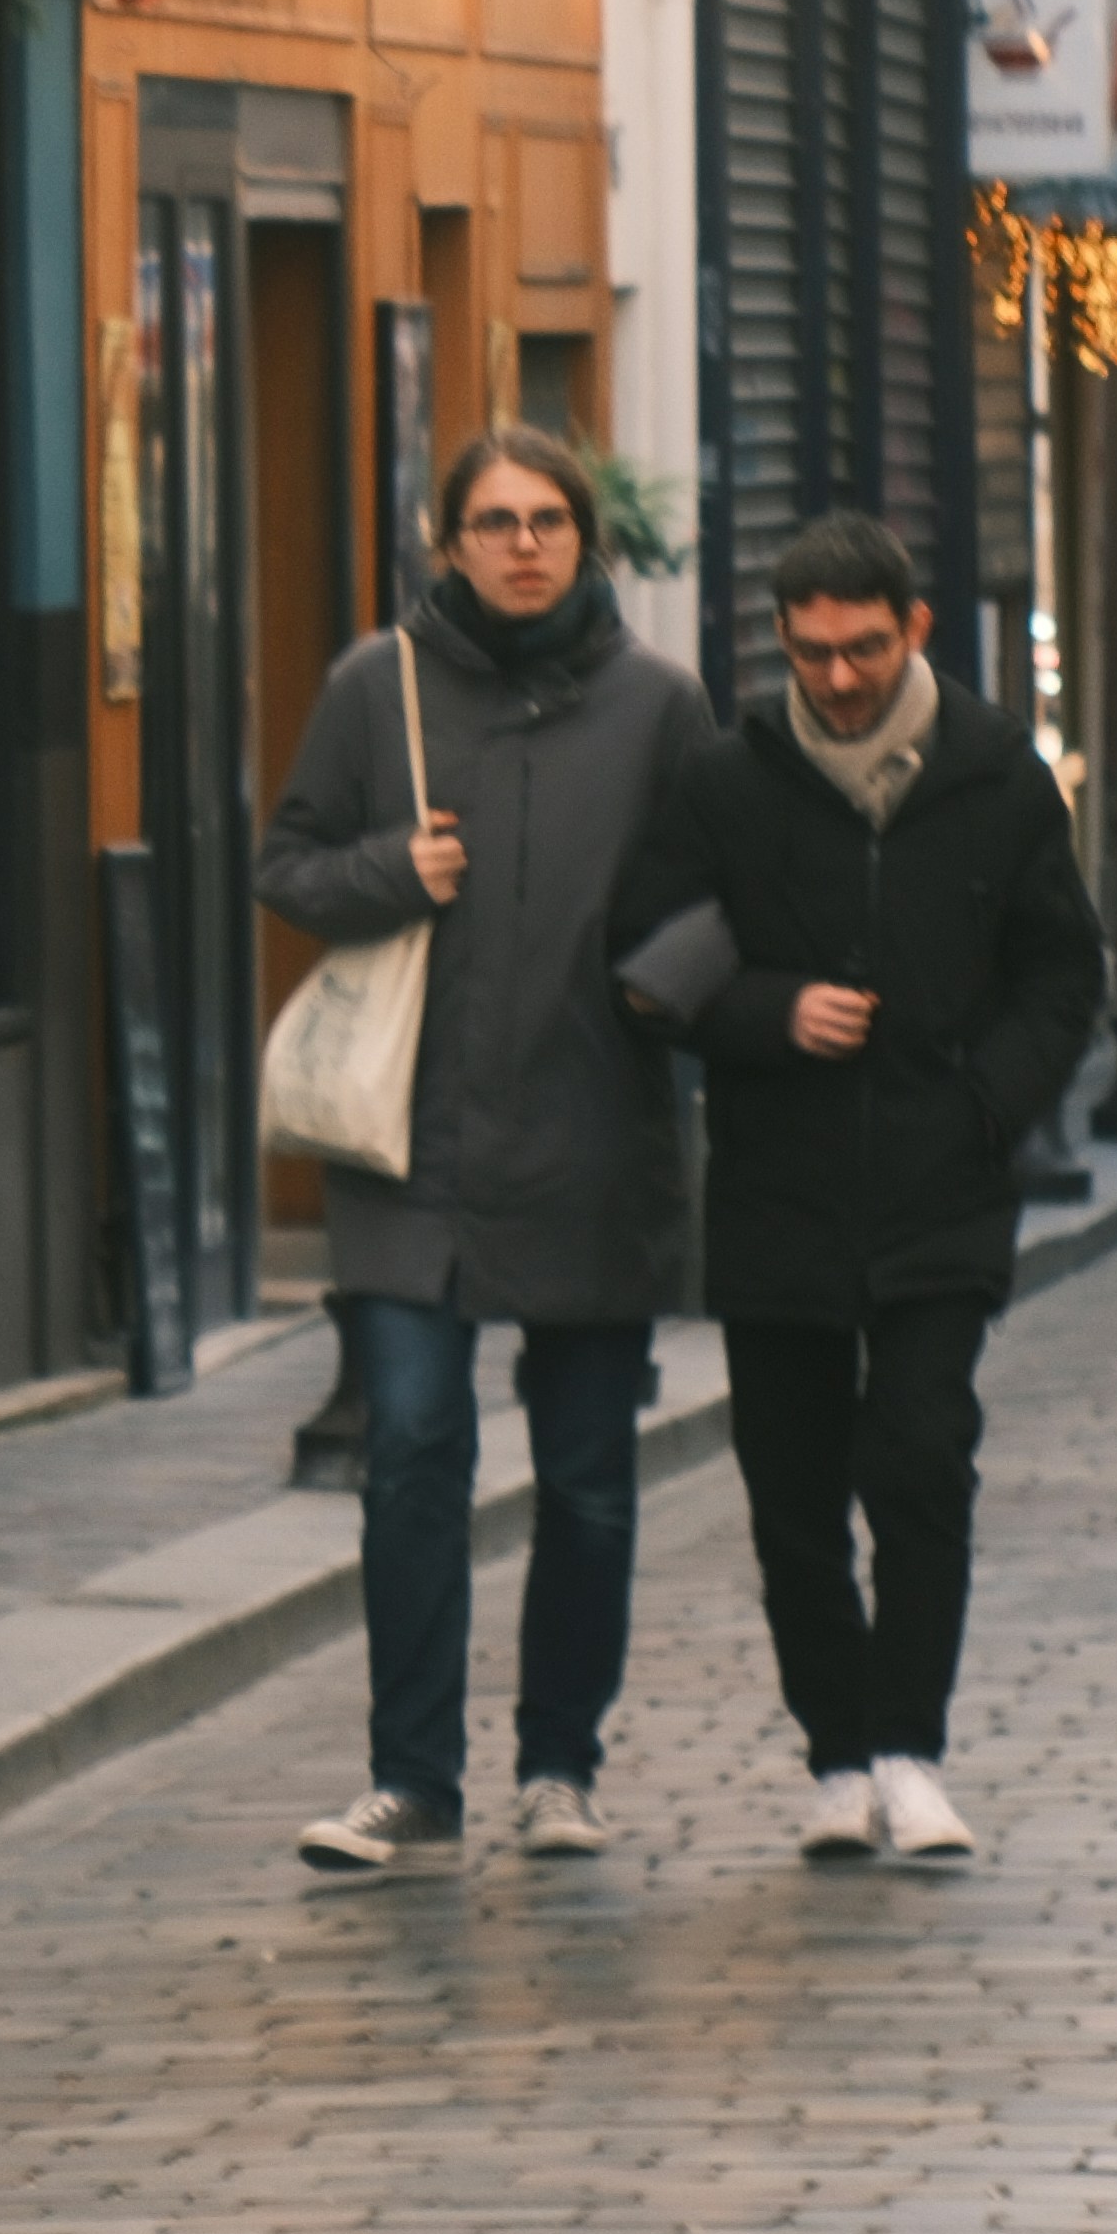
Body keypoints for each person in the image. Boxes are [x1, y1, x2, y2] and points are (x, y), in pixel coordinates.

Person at [253, 419, 716, 1875]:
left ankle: (561, 1766)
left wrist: (659, 991)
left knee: (585, 1476)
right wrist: (395, 869)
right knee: (412, 1454)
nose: (523, 545)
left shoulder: (658, 706)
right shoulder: (371, 688)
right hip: (415, 1156)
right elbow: (287, 864)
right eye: (495, 522)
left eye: (549, 522)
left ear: (586, 541)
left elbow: (724, 893)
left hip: (593, 1141)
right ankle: (413, 1780)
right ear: (447, 543)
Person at [623, 503, 1104, 1869]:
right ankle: (835, 1758)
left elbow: (1064, 971)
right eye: (813, 652)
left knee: (919, 1456)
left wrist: (986, 1101)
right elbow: (647, 959)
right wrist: (771, 1012)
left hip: (940, 1181)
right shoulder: (732, 779)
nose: (838, 678)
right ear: (779, 640)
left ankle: (911, 1753)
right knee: (791, 1491)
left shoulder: (1001, 775)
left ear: (916, 633)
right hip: (779, 1185)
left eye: (865, 650)